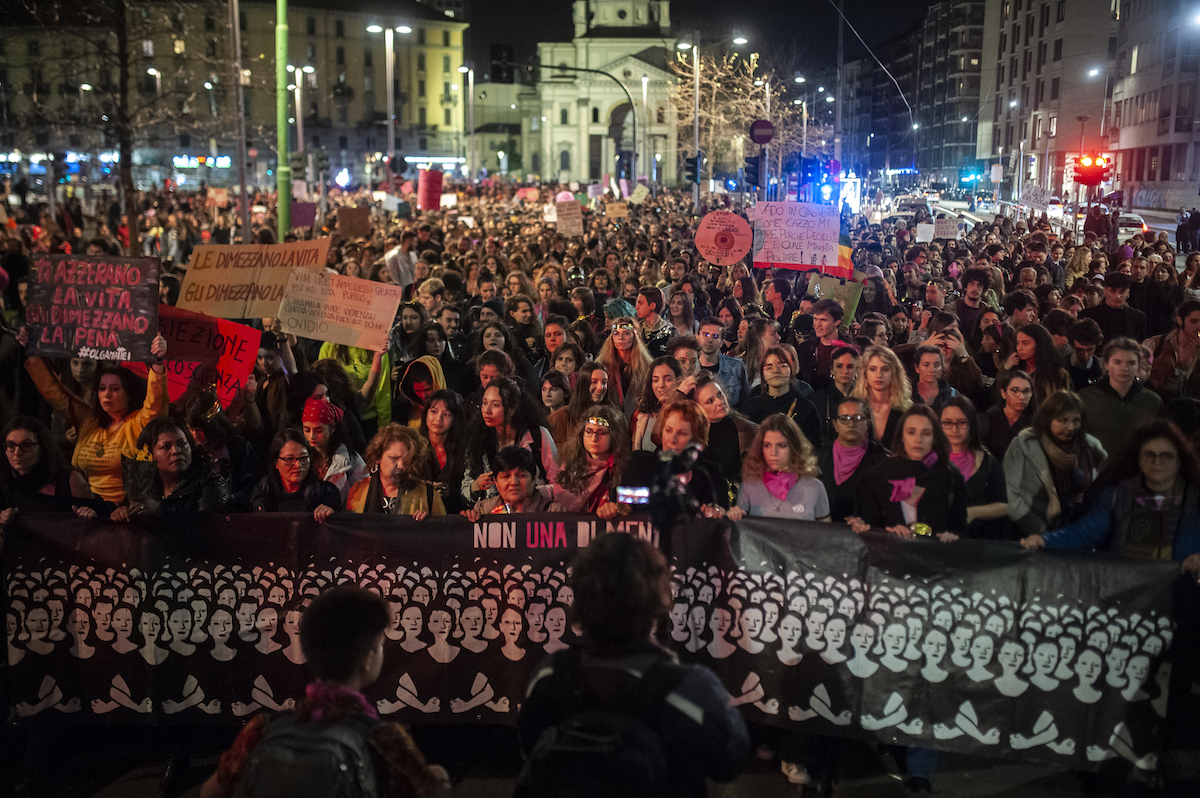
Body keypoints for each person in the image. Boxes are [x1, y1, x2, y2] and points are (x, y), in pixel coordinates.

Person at [517, 533, 750, 798]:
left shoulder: (549, 675)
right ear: (657, 598)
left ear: (580, 598)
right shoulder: (692, 688)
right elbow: (730, 762)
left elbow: (530, 747)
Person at [199, 587, 451, 798]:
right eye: (380, 646)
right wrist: (440, 780)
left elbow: (209, 793)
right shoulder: (384, 741)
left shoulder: (260, 730)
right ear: (367, 659)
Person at [1020, 420, 1200, 574]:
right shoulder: (1118, 496)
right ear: (1138, 459)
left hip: (1179, 599)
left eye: (1166, 456)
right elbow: (1084, 533)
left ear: (1179, 461)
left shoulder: (1195, 501)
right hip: (1128, 594)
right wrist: (1045, 541)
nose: (1157, 462)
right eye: (1149, 454)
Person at [22, 331, 169, 504]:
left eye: (114, 389)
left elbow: (156, 403)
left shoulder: (139, 422)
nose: (106, 394)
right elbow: (54, 393)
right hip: (85, 509)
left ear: (128, 393)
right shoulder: (88, 419)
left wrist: (157, 364)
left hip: (124, 513)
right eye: (101, 388)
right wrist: (32, 354)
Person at [849, 405, 968, 540]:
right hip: (890, 556)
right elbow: (866, 530)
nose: (918, 440)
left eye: (926, 433)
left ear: (934, 438)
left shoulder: (951, 476)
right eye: (911, 432)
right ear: (902, 436)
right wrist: (886, 532)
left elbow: (960, 530)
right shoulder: (876, 477)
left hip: (936, 557)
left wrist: (952, 536)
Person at [1004, 390, 1106, 536]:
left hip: (1079, 531)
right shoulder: (1024, 445)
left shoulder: (1089, 447)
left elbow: (1095, 490)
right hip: (1033, 532)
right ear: (1047, 418)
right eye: (1063, 420)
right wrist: (1036, 528)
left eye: (1076, 420)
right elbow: (1009, 493)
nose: (1071, 427)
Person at [462, 376, 559, 503]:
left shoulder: (538, 436)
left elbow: (558, 483)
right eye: (484, 403)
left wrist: (531, 492)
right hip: (494, 514)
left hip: (533, 513)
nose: (487, 410)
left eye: (495, 405)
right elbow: (465, 488)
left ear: (512, 409)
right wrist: (475, 487)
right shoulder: (478, 437)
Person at [115, 418, 229, 520]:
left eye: (182, 444)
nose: (176, 451)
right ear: (150, 454)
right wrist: (122, 513)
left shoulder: (210, 483)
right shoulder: (145, 486)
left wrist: (161, 510)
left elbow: (208, 529)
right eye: (166, 447)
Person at [727, 414, 830, 522]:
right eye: (767, 445)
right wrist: (735, 516)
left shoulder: (815, 487)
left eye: (781, 445)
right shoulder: (749, 485)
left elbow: (825, 535)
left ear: (794, 447)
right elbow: (743, 532)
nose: (773, 453)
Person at [0, 416, 97, 522]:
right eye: (10, 445)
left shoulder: (68, 480)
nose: (17, 452)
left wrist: (90, 514)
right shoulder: (4, 480)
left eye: (26, 445)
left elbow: (97, 524)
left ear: (42, 447)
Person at [1079, 338, 1163, 458]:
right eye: (1117, 362)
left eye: (1131, 363)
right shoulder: (1086, 398)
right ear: (1107, 364)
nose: (1124, 368)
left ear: (1139, 365)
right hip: (1099, 471)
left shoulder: (1152, 401)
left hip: (1137, 471)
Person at [940, 397, 1009, 539]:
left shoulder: (987, 462)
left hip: (976, 543)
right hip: (937, 542)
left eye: (962, 423)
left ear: (972, 424)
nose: (954, 429)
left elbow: (1004, 506)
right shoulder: (930, 460)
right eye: (947, 423)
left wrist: (973, 512)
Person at [239, 429, 342, 522]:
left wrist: (330, 509)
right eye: (289, 459)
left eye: (303, 458)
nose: (297, 465)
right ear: (276, 462)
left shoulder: (326, 492)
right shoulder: (263, 493)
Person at [815, 397, 889, 523]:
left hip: (867, 535)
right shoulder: (820, 456)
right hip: (825, 534)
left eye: (858, 418)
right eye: (844, 419)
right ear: (835, 424)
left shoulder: (880, 458)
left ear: (868, 423)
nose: (851, 424)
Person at [347, 424, 445, 517]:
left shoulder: (429, 495)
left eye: (407, 460)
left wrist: (429, 525)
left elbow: (443, 531)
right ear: (378, 457)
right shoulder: (357, 492)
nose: (401, 465)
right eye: (394, 458)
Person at [552, 404, 630, 517]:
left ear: (614, 436)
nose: (594, 439)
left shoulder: (625, 468)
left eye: (602, 433)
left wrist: (618, 507)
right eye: (589, 431)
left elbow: (637, 501)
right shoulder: (568, 469)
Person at [738, 347, 824, 447]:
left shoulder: (805, 408)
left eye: (782, 365)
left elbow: (815, 448)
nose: (776, 370)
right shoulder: (750, 408)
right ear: (762, 373)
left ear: (791, 370)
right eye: (769, 367)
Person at [185, 391, 262, 497]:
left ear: (213, 425)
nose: (195, 435)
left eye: (199, 430)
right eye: (192, 430)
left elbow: (253, 486)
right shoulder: (194, 453)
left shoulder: (239, 447)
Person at [462, 446, 566, 518]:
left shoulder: (554, 512)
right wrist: (467, 521)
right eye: (506, 476)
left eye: (521, 476)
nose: (513, 482)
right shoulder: (483, 510)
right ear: (495, 481)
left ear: (534, 479)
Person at [301, 398, 365, 503]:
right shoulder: (300, 456)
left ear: (332, 428)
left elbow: (364, 495)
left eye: (319, 430)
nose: (312, 436)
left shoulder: (350, 460)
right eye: (307, 430)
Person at [851, 345, 912, 446]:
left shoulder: (907, 410)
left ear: (894, 372)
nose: (879, 375)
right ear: (865, 373)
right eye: (873, 369)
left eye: (885, 369)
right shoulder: (854, 407)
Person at [1000, 323, 1069, 408]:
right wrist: (1005, 369)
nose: (1019, 348)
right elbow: (998, 398)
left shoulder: (1058, 374)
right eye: (1017, 343)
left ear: (1039, 345)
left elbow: (1066, 405)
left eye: (1025, 343)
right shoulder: (1015, 370)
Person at [547, 362, 616, 447]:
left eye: (604, 382)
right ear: (584, 384)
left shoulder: (615, 418)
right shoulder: (560, 418)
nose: (600, 388)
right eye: (594, 382)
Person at [596, 317, 654, 416]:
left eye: (626, 333)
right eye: (616, 333)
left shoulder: (646, 365)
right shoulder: (602, 364)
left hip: (637, 417)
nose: (621, 338)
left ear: (634, 336)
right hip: (610, 417)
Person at [1146, 299, 1200, 399]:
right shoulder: (1156, 343)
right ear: (1180, 320)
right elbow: (1139, 372)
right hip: (1159, 403)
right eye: (1193, 321)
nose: (1198, 326)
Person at [696, 317, 750, 407]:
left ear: (721, 342)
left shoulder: (736, 367)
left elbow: (745, 403)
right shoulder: (688, 369)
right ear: (697, 337)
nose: (709, 340)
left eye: (715, 336)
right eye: (705, 334)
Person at [631, 356, 682, 452]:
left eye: (668, 379)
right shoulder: (642, 415)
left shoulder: (685, 414)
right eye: (655, 380)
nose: (661, 385)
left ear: (678, 380)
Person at [813, 346, 859, 442]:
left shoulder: (865, 398)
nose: (844, 371)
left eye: (850, 366)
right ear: (831, 370)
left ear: (857, 370)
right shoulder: (819, 399)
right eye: (839, 366)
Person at [911, 345, 958, 414]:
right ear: (917, 368)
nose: (932, 370)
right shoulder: (906, 394)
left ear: (942, 367)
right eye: (926, 365)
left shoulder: (952, 394)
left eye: (937, 365)